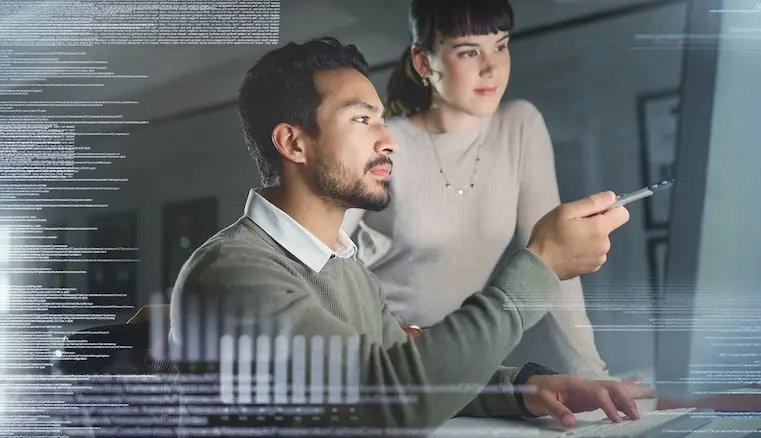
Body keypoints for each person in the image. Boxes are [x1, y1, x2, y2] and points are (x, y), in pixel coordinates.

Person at [169, 36, 639, 437]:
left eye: (381, 118)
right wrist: (541, 264)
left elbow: (410, 364)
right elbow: (390, 396)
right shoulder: (233, 274)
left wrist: (526, 389)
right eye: (360, 119)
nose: (388, 139)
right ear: (293, 143)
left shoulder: (346, 267)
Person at [341, 0, 647, 391]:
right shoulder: (384, 141)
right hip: (378, 357)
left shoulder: (519, 125)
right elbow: (319, 253)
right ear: (423, 62)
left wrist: (593, 374)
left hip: (461, 357)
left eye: (500, 46)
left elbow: (554, 259)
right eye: (469, 51)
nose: (492, 67)